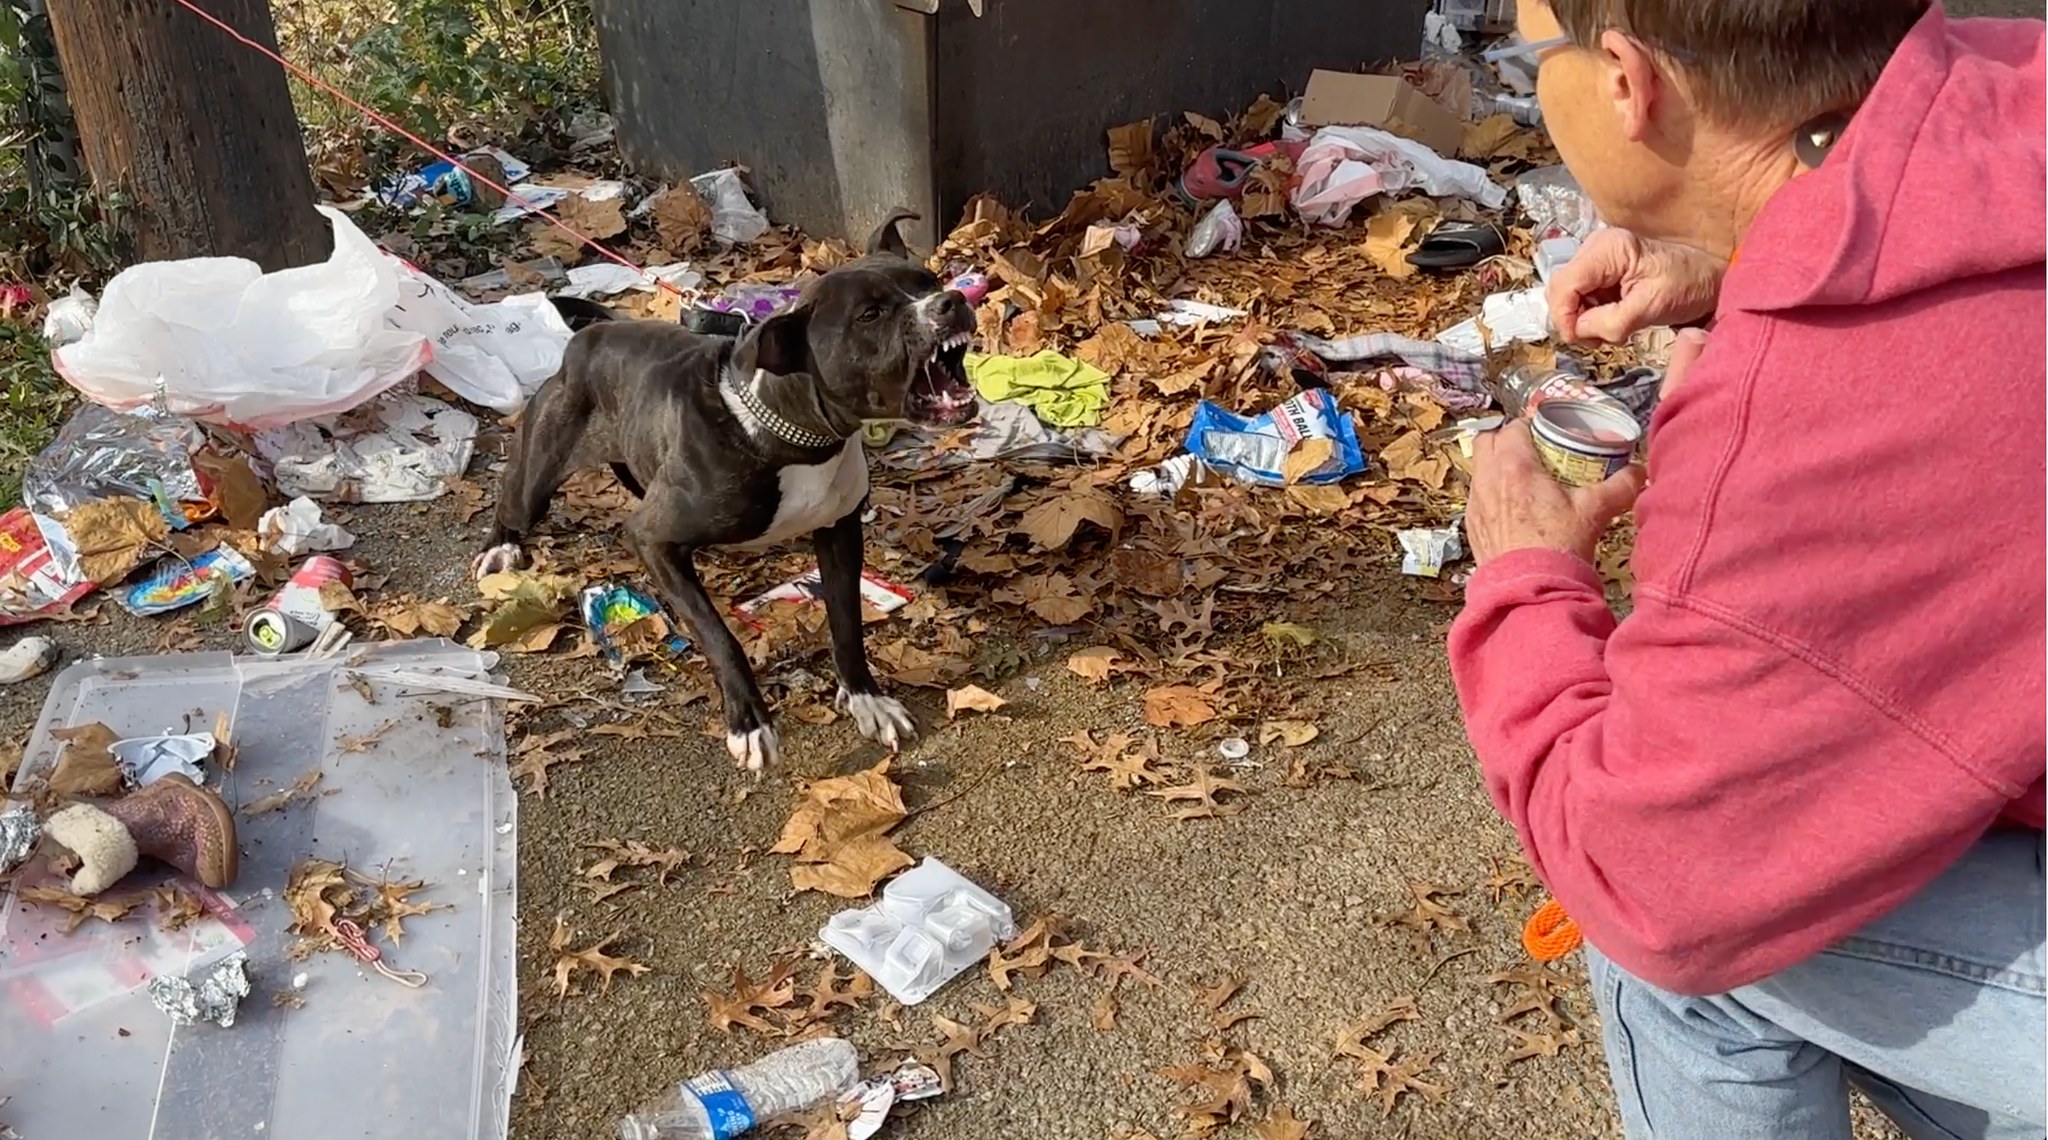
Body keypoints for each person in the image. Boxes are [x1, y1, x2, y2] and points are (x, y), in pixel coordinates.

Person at [1449, 2, 2047, 1137]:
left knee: (1673, 948)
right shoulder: (2018, 89)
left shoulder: (1788, 433)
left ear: (1626, 81)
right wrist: (1742, 256)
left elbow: (1657, 883)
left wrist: (1525, 575)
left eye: (1543, 57)